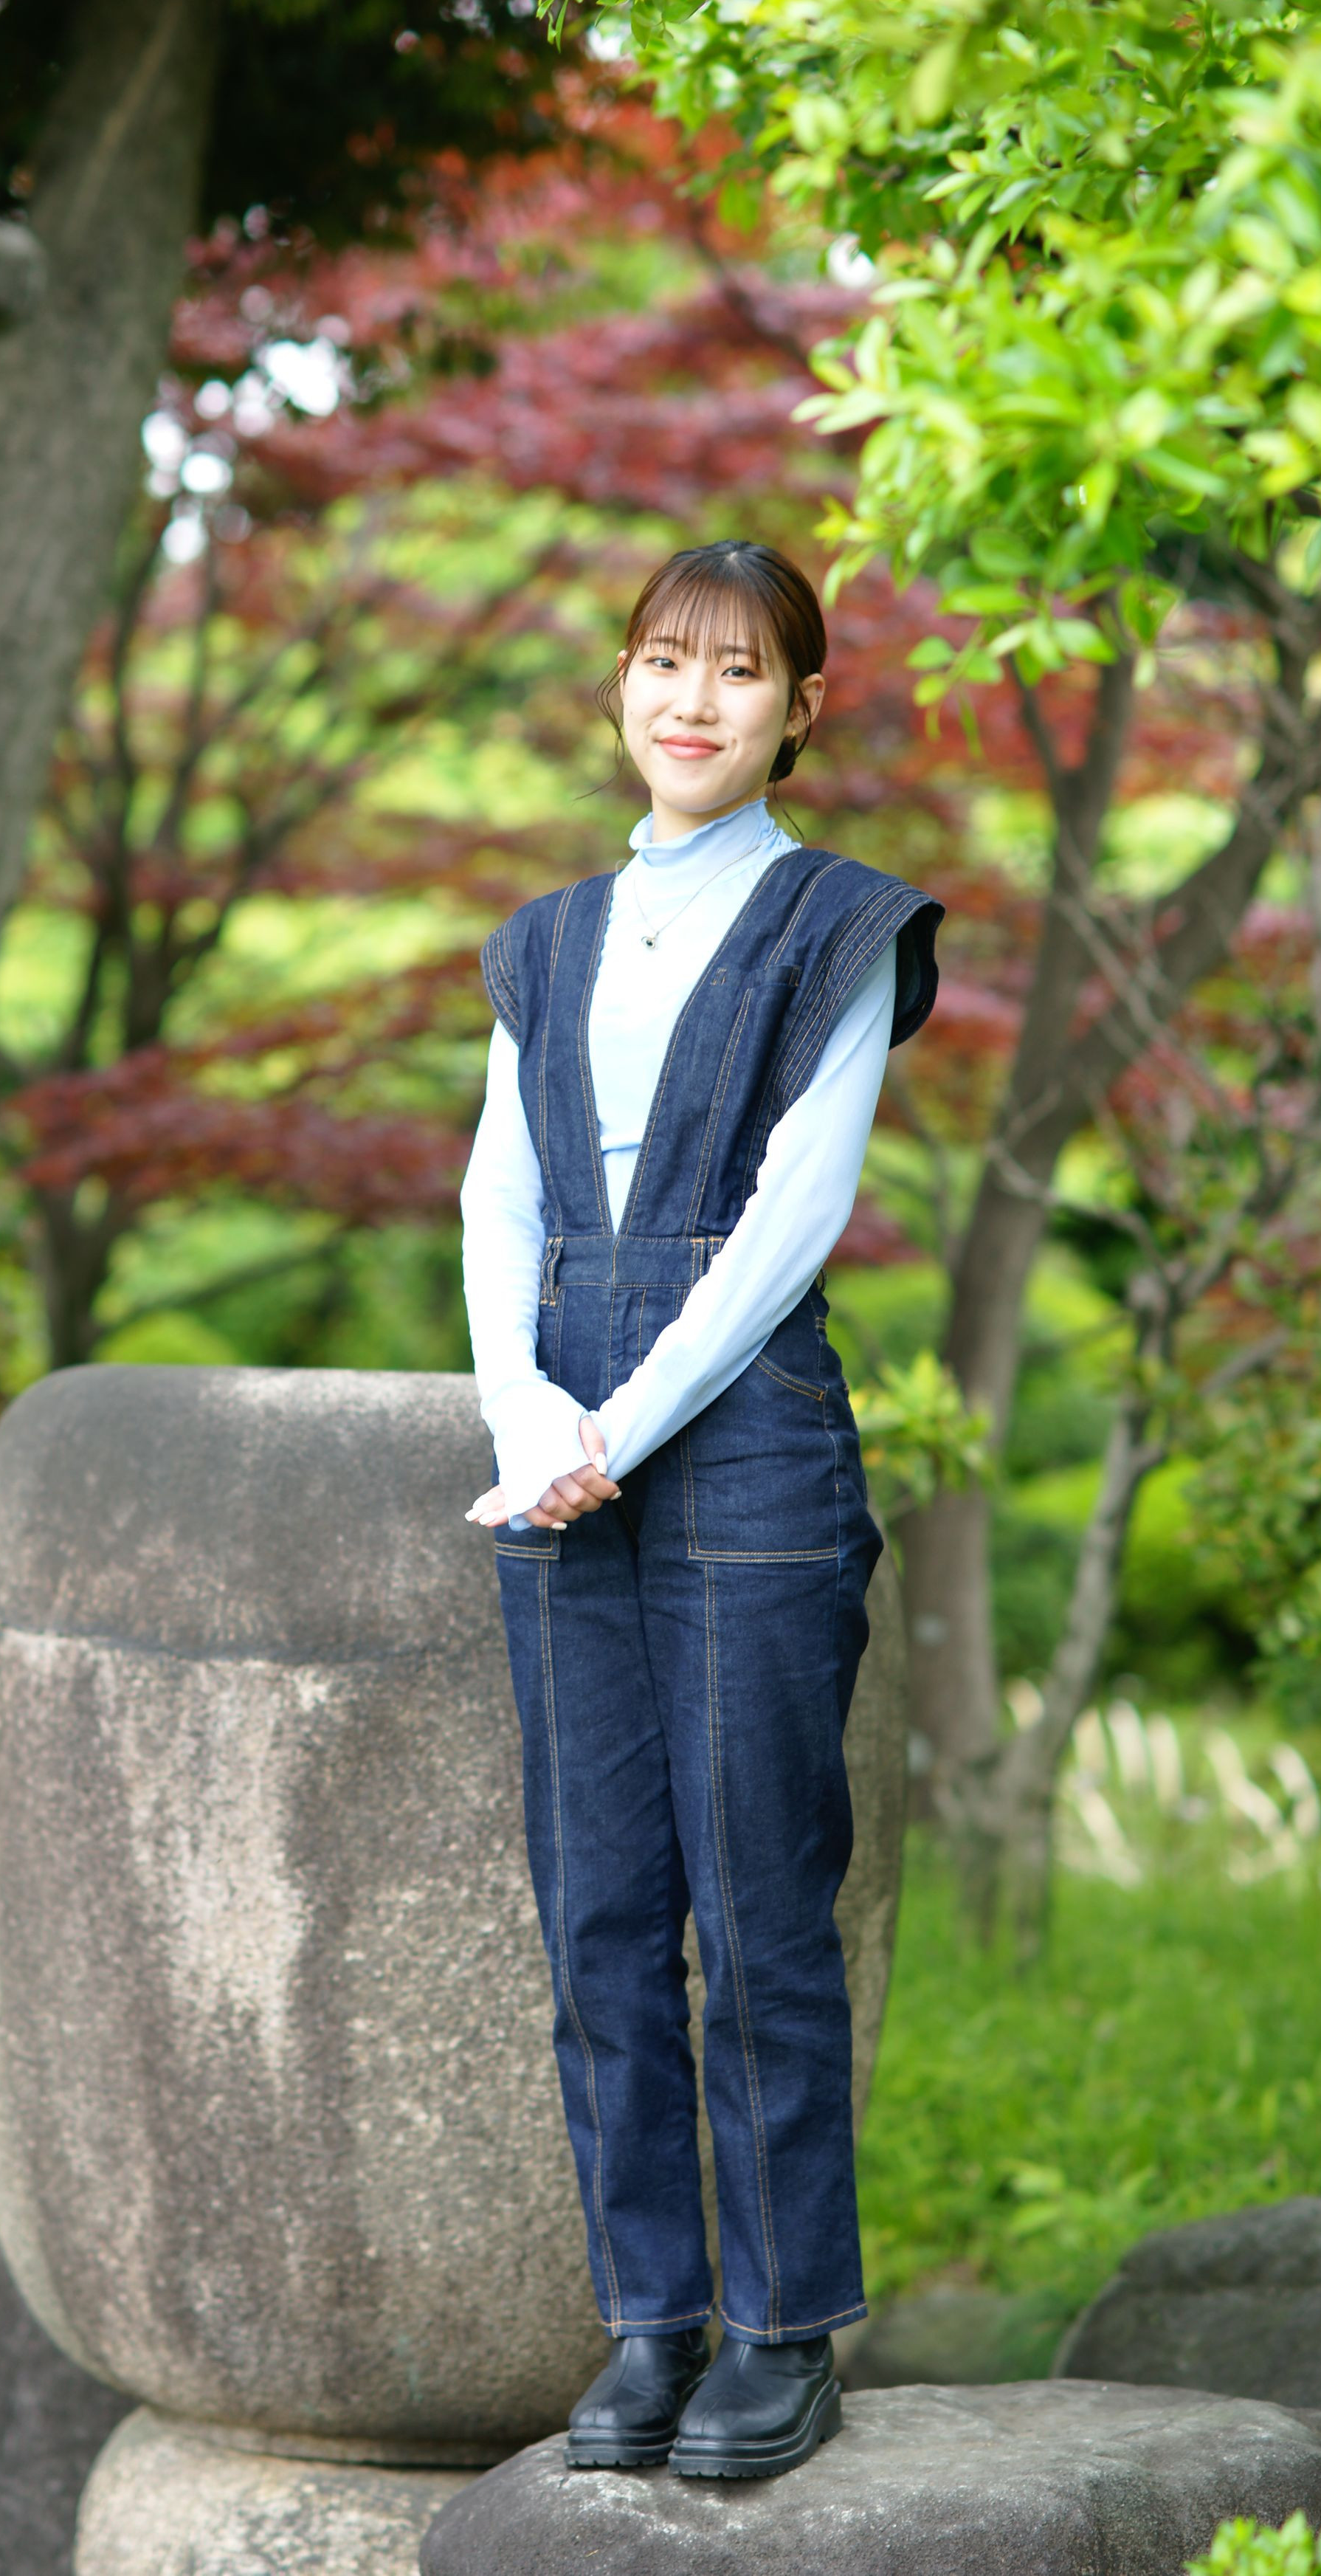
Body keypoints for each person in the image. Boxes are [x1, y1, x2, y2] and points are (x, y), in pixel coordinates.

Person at [460, 539, 942, 2482]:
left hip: (738, 1436)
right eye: (664, 660)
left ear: (798, 709)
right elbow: (498, 1197)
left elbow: (790, 1221)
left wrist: (619, 1426)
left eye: (738, 671)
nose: (692, 699)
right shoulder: (544, 940)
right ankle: (650, 2318)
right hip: (560, 1433)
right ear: (619, 682)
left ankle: (780, 2328)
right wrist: (523, 1414)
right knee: (596, 1908)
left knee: (754, 1908)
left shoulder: (842, 925)